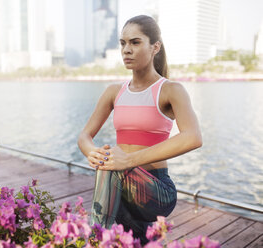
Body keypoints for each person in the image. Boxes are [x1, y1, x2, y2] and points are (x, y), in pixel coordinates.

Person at [77, 15, 202, 245]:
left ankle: (94, 240)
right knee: (109, 162)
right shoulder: (114, 91)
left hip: (157, 191)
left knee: (111, 164)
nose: (126, 50)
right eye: (123, 43)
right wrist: (91, 152)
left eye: (135, 42)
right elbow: (85, 136)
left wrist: (129, 160)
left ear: (155, 47)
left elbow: (193, 137)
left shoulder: (170, 90)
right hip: (121, 183)